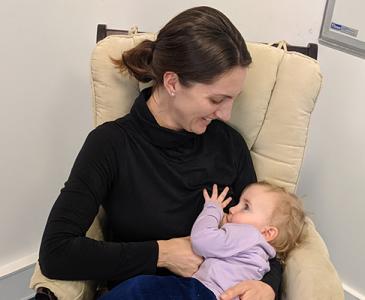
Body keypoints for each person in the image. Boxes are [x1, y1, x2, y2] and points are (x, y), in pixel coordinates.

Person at [37, 6, 282, 300]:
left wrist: (267, 285)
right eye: (217, 99)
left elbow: (264, 235)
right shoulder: (111, 144)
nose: (227, 114)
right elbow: (56, 251)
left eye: (233, 99)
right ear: (172, 82)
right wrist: (162, 253)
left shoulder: (229, 145)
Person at [98, 181, 305, 300]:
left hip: (203, 293)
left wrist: (212, 209)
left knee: (140, 289)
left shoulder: (249, 235)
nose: (232, 208)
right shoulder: (260, 255)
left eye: (246, 207)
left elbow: (202, 240)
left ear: (268, 233)